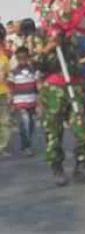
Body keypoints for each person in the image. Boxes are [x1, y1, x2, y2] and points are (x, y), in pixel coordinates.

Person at [36, 30, 85, 186]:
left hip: (76, 86)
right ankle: (57, 167)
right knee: (54, 131)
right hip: (53, 89)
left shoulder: (78, 37)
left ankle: (82, 164)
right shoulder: (42, 37)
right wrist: (49, 47)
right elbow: (36, 64)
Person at [8, 46, 39, 157]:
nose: (22, 60)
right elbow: (11, 87)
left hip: (32, 101)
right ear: (17, 58)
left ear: (27, 58)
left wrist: (40, 101)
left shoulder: (33, 70)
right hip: (19, 102)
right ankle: (25, 146)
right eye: (19, 58)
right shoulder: (14, 72)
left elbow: (37, 85)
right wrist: (10, 100)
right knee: (24, 123)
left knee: (31, 124)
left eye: (24, 58)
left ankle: (28, 144)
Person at [0, 23, 11, 158]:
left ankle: (1, 146)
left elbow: (8, 76)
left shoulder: (3, 58)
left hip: (2, 92)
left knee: (5, 121)